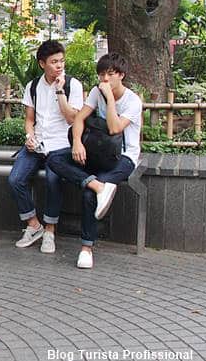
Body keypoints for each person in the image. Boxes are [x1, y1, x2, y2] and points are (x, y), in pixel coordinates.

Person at [47, 53, 142, 269]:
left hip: (123, 158)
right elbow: (79, 118)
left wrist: (109, 100)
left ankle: (86, 248)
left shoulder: (132, 101)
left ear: (121, 76)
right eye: (101, 74)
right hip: (96, 153)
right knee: (54, 160)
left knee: (88, 195)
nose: (104, 80)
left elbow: (114, 128)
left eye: (110, 74)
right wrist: (77, 142)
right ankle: (97, 184)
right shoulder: (95, 92)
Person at [8, 40, 83, 254]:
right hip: (37, 144)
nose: (59, 66)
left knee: (53, 179)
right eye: (54, 62)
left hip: (61, 144)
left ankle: (50, 230)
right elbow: (29, 119)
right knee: (15, 179)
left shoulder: (72, 85)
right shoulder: (33, 86)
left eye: (61, 61)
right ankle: (34, 225)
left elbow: (72, 119)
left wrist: (60, 92)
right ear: (42, 64)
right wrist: (29, 137)